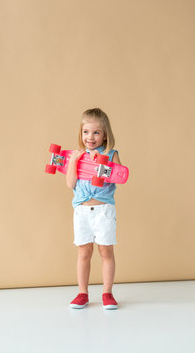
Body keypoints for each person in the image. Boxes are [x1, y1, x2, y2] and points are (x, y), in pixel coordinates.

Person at [67, 108, 123, 310]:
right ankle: (82, 293)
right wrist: (74, 161)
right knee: (84, 252)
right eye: (86, 132)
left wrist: (99, 164)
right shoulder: (78, 156)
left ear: (105, 134)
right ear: (81, 133)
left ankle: (107, 293)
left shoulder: (111, 154)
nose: (90, 137)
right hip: (81, 211)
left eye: (96, 132)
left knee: (106, 250)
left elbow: (119, 177)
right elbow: (70, 184)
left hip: (103, 211)